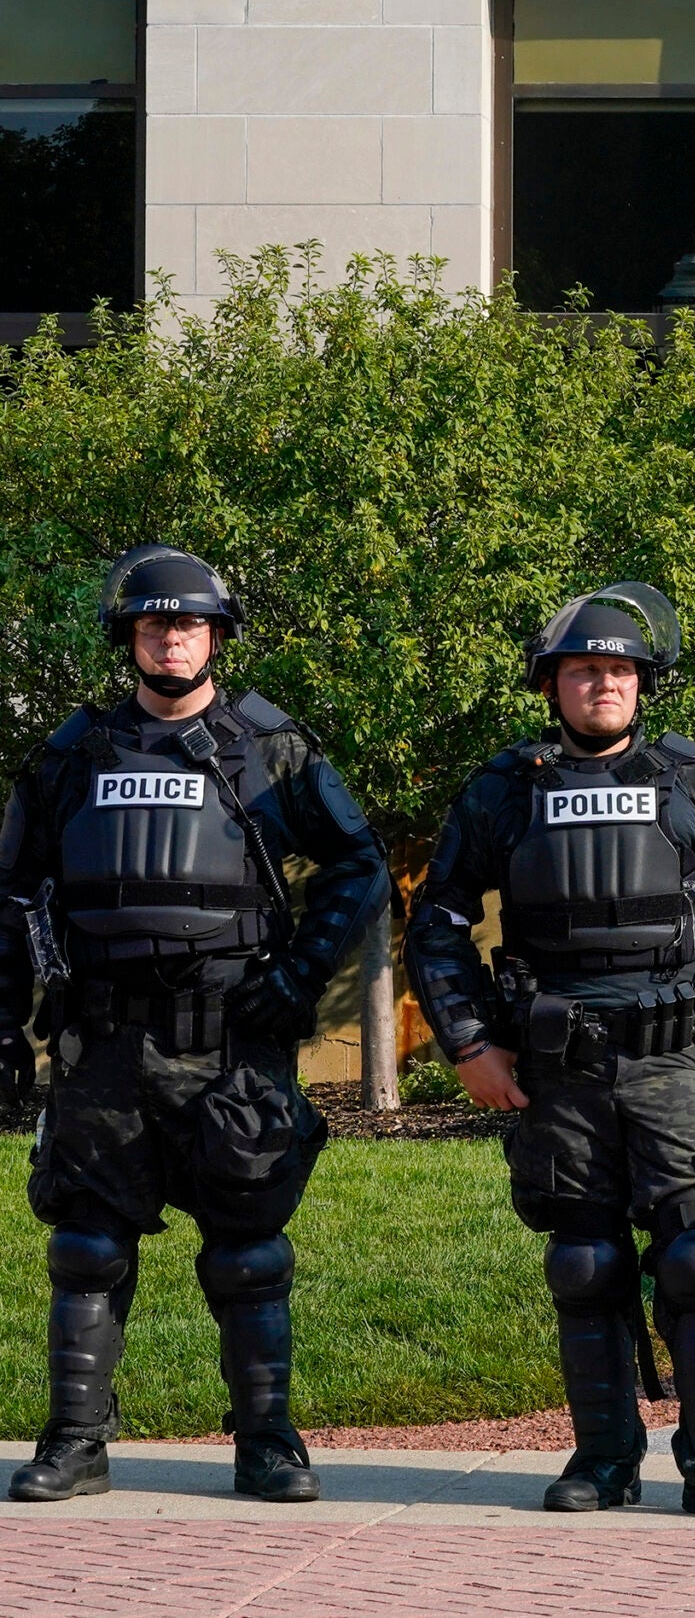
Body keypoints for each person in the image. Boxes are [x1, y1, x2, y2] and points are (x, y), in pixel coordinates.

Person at [405, 583, 695, 1522]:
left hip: (674, 1065)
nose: (603, 683)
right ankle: (603, 1458)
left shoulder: (693, 780)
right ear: (552, 685)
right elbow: (438, 921)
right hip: (559, 1070)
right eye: (583, 669)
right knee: (585, 1264)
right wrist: (467, 1043)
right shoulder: (506, 788)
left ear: (643, 682)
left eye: (620, 669)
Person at [3, 546, 389, 1503]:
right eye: (153, 623)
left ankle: (268, 1443)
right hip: (104, 1042)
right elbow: (11, 894)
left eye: (188, 623)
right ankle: (75, 1442)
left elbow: (360, 866)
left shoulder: (271, 747)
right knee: (87, 1246)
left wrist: (300, 975)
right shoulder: (75, 753)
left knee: (249, 1251)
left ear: (216, 636)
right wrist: (7, 1027)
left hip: (232, 1042)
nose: (170, 637)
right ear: (129, 637)